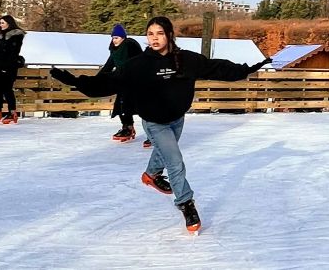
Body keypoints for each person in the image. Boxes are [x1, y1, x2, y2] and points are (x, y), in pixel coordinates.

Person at [50, 16, 271, 233]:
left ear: (169, 35)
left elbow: (216, 68)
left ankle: (151, 175)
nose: (154, 38)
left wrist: (248, 68)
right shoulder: (137, 65)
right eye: (150, 34)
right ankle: (186, 204)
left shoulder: (185, 60)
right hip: (154, 122)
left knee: (165, 151)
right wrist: (74, 80)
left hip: (177, 118)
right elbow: (108, 82)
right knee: (174, 160)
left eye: (159, 33)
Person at [98, 24, 143, 143]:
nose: (114, 40)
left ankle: (153, 132)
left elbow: (139, 61)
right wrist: (96, 78)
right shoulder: (114, 51)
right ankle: (127, 127)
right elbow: (108, 66)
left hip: (137, 81)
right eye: (113, 38)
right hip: (124, 83)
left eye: (117, 38)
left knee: (143, 106)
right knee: (121, 105)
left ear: (123, 38)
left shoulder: (130, 46)